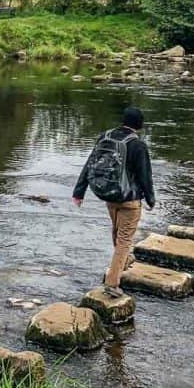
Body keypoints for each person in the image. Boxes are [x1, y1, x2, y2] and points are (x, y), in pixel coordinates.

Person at [72, 106, 155, 298]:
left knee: (118, 233)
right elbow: (145, 175)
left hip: (108, 195)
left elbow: (89, 164)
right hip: (129, 200)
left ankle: (123, 261)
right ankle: (112, 283)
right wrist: (150, 199)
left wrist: (79, 192)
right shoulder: (138, 145)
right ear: (140, 125)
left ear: (123, 121)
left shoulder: (105, 137)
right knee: (125, 240)